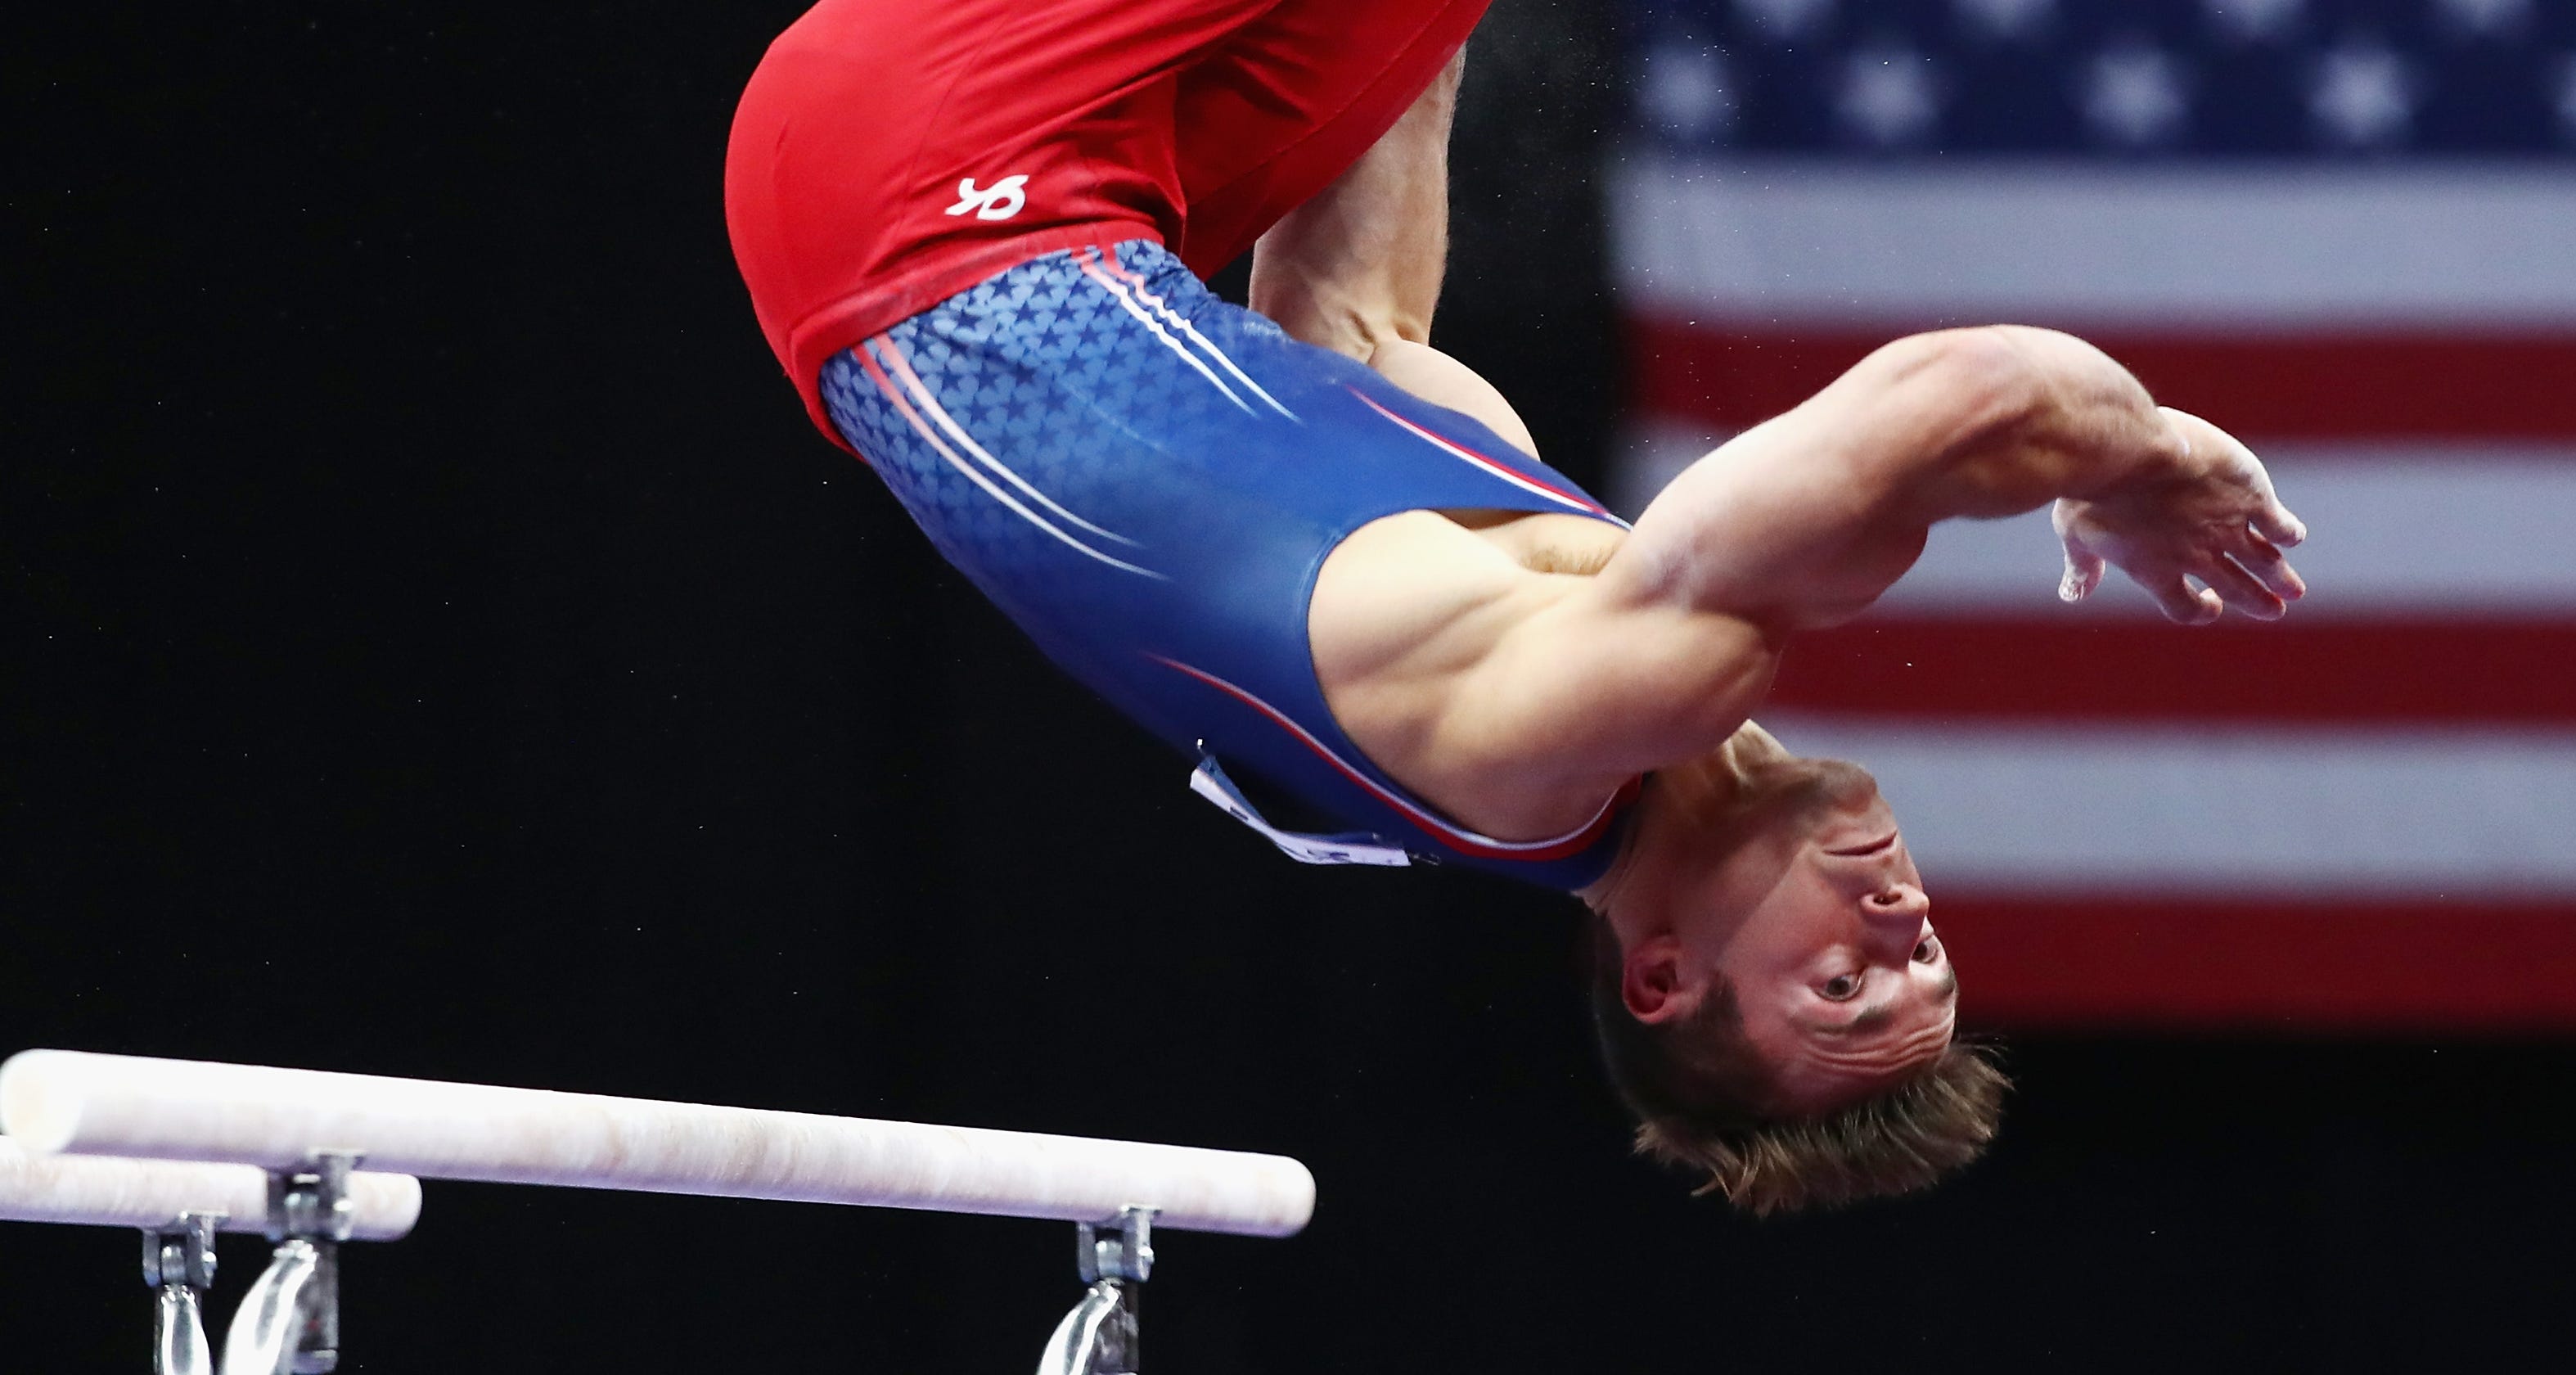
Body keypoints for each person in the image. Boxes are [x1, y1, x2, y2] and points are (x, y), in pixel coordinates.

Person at [723, 0, 2310, 1215]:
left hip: (931, 210)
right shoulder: (1535, 630)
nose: (1902, 925)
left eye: (1844, 982)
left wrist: (2144, 456)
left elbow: (1972, 393)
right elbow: (1347, 315)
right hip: (954, 213)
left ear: (1662, 977)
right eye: (1928, 962)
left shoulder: (1596, 709)